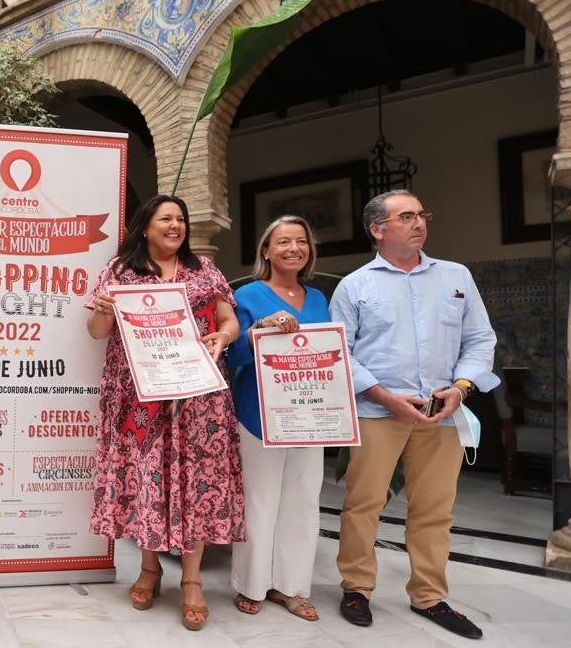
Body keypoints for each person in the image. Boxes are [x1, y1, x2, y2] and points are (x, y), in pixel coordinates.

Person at [331, 190, 496, 639]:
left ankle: (429, 597)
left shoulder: (455, 276)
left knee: (435, 509)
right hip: (377, 411)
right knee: (364, 504)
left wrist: (461, 387)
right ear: (378, 229)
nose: (419, 222)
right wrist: (385, 396)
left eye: (422, 214)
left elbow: (481, 339)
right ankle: (357, 588)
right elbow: (340, 354)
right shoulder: (356, 285)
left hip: (441, 411)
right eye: (407, 216)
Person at [86, 194, 244, 632]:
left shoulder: (204, 270)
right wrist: (102, 310)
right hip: (140, 398)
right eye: (166, 219)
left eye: (181, 219)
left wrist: (222, 339)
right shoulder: (119, 271)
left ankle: (192, 580)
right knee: (148, 478)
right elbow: (98, 331)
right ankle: (150, 569)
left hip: (199, 399)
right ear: (144, 227)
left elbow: (229, 320)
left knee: (195, 482)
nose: (176, 226)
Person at [226, 215, 329, 621]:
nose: (293, 249)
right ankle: (252, 585)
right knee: (260, 500)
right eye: (283, 242)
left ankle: (292, 587)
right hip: (259, 414)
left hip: (312, 415)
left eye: (301, 242)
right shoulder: (248, 295)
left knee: (303, 502)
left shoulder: (318, 298)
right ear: (266, 250)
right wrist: (261, 329)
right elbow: (233, 354)